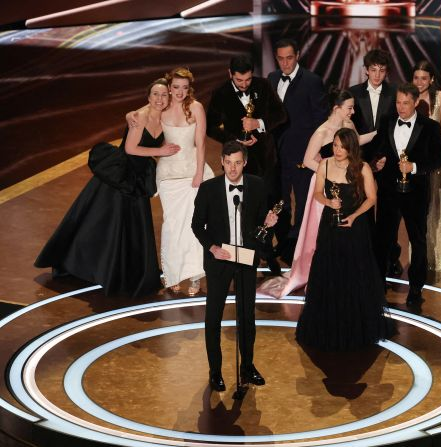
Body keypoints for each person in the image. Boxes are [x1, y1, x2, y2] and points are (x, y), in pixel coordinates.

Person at [35, 79, 180, 297]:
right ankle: (83, 264)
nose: (160, 99)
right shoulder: (139, 117)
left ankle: (127, 271)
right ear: (148, 97)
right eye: (155, 95)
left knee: (133, 229)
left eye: (164, 95)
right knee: (103, 226)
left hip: (138, 179)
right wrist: (160, 152)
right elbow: (130, 149)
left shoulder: (165, 116)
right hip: (121, 177)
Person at [257, 89, 376, 298]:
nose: (353, 111)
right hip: (325, 184)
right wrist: (328, 171)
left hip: (347, 185)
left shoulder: (348, 125)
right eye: (349, 108)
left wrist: (379, 133)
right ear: (337, 108)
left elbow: (356, 142)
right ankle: (318, 274)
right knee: (319, 233)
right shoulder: (321, 132)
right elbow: (307, 159)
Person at [191, 141, 278, 391]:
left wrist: (267, 223)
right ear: (221, 161)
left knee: (247, 316)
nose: (232, 168)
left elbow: (259, 224)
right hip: (219, 259)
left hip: (245, 258)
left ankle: (247, 366)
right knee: (213, 317)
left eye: (237, 163)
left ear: (245, 163)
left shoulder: (257, 185)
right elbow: (197, 225)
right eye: (228, 163)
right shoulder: (208, 189)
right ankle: (215, 372)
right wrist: (212, 248)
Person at [296, 128, 392, 351]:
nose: (337, 150)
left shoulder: (362, 167)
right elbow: (317, 193)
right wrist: (329, 202)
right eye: (335, 145)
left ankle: (355, 324)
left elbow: (372, 198)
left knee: (354, 272)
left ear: (351, 148)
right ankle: (328, 323)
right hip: (330, 226)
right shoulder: (324, 164)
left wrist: (355, 216)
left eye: (342, 146)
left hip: (354, 228)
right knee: (329, 270)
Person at [205, 54, 287, 275]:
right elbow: (210, 127)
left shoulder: (263, 85)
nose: (244, 84)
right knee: (242, 212)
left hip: (266, 161)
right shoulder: (220, 93)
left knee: (270, 208)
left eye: (248, 79)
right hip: (237, 166)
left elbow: (281, 115)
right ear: (230, 74)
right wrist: (234, 140)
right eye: (239, 80)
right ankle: (249, 258)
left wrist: (258, 123)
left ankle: (267, 255)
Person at [373, 83, 441, 304]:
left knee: (418, 240)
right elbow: (377, 149)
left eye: (405, 103)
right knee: (382, 239)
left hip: (416, 194)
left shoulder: (430, 127)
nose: (401, 107)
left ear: (416, 103)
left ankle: (415, 289)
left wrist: (414, 167)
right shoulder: (386, 121)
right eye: (398, 102)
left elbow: (438, 159)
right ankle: (378, 286)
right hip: (388, 191)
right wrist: (377, 162)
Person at [153, 68, 215, 296]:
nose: (180, 92)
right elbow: (144, 118)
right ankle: (173, 274)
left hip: (192, 174)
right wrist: (131, 115)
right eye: (176, 87)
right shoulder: (162, 107)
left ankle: (196, 277)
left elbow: (201, 143)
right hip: (168, 175)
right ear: (169, 87)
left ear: (190, 89)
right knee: (172, 226)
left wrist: (199, 173)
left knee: (194, 226)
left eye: (185, 88)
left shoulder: (196, 108)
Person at [268, 38, 329, 264]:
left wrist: (316, 152)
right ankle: (284, 243)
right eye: (280, 59)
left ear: (298, 55)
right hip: (277, 156)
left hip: (304, 157)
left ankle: (298, 246)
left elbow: (321, 120)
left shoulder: (312, 81)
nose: (285, 63)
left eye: (289, 58)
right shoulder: (272, 78)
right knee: (280, 202)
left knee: (303, 204)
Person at [349, 48, 403, 277]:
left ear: (386, 71)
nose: (377, 75)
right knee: (363, 210)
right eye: (373, 70)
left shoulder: (395, 93)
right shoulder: (353, 93)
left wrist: (383, 158)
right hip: (361, 162)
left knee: (389, 213)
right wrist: (365, 162)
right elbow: (351, 131)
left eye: (382, 70)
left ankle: (391, 256)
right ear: (366, 70)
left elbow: (397, 128)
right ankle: (367, 255)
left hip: (387, 160)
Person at [412, 60, 441, 272]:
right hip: (412, 165)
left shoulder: (440, 98)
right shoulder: (409, 98)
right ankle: (419, 257)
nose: (419, 82)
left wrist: (432, 155)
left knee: (433, 204)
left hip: (434, 162)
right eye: (416, 78)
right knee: (416, 207)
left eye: (424, 78)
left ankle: (436, 257)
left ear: (432, 80)